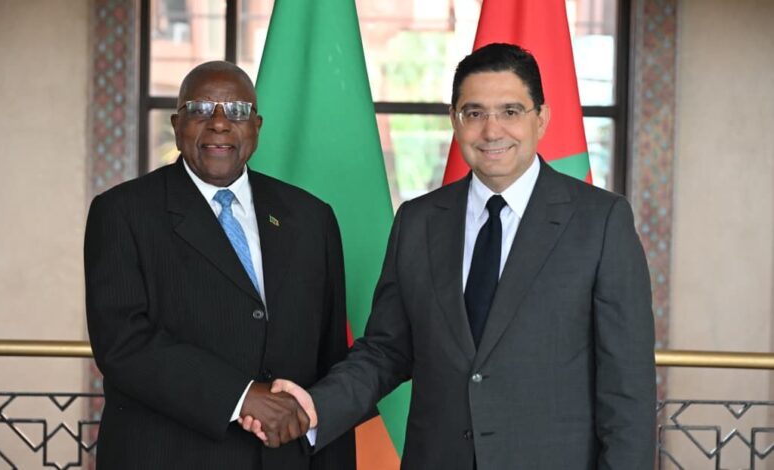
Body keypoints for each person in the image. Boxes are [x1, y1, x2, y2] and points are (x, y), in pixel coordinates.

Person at [243, 43, 656, 469]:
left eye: (510, 111)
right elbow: (387, 351)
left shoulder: (600, 223)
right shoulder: (418, 221)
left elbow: (628, 390)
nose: (492, 131)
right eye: (474, 113)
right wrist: (314, 407)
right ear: (455, 121)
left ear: (542, 119)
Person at [84, 61, 355, 469]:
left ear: (257, 127)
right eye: (199, 109)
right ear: (176, 125)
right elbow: (123, 343)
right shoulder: (122, 212)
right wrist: (241, 397)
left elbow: (330, 357)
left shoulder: (311, 218)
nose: (219, 124)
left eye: (237, 111)